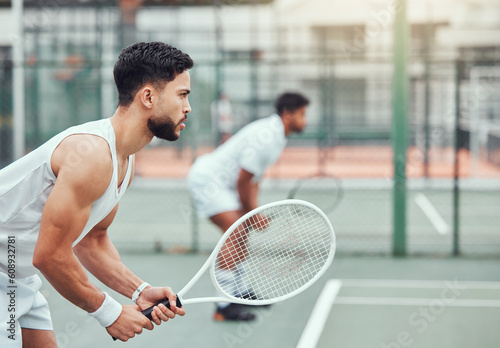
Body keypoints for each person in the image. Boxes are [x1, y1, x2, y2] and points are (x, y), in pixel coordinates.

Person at [0, 41, 193, 346]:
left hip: (13, 274)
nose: (187, 107)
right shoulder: (91, 154)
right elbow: (49, 256)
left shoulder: (123, 162)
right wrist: (110, 313)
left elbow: (92, 240)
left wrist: (139, 291)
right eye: (182, 95)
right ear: (148, 96)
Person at [187, 92, 309, 321]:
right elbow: (243, 180)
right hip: (209, 181)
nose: (306, 120)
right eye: (302, 114)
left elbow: (253, 180)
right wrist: (253, 214)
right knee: (235, 232)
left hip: (225, 185)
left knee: (241, 232)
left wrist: (254, 212)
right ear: (288, 114)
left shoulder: (277, 136)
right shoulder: (267, 136)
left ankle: (240, 293)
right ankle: (223, 306)